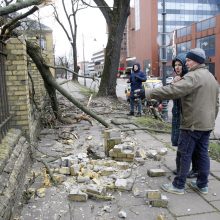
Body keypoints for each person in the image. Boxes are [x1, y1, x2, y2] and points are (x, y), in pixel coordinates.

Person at [145, 48, 219, 195]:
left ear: (197, 61)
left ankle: (178, 186)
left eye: (189, 60)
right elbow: (216, 104)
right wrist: (211, 120)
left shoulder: (193, 77)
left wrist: (148, 93)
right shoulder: (211, 77)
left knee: (185, 153)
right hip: (206, 125)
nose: (187, 63)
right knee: (203, 154)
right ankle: (202, 185)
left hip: (191, 124)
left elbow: (172, 91)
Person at [171, 53, 198, 178]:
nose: (177, 67)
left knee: (189, 145)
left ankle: (192, 170)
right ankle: (181, 169)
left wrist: (178, 84)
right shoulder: (178, 78)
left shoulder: (188, 78)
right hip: (179, 116)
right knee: (182, 144)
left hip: (188, 116)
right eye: (175, 65)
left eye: (179, 64)